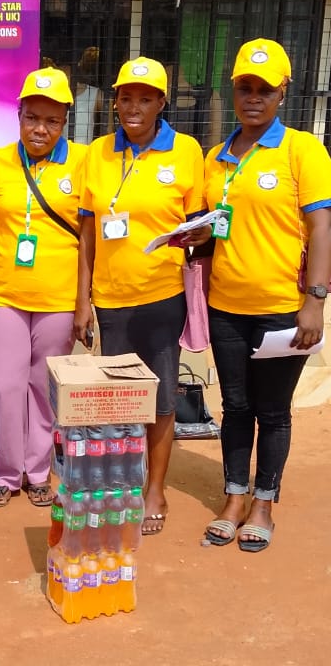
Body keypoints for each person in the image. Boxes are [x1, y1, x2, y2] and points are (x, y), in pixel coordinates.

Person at [194, 38, 331, 551]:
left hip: (280, 308)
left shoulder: (303, 149)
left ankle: (264, 502)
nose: (254, 97)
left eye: (264, 89)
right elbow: (219, 228)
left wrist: (314, 299)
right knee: (234, 406)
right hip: (226, 305)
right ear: (234, 90)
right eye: (245, 88)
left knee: (272, 411)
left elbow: (322, 229)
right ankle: (233, 497)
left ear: (283, 92)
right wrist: (196, 237)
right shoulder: (217, 157)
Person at [74, 56, 205, 534]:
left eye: (145, 98)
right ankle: (126, 483)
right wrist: (83, 299)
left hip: (162, 294)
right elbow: (87, 233)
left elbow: (200, 223)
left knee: (161, 398)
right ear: (115, 102)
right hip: (111, 299)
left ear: (161, 103)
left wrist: (197, 237)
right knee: (121, 400)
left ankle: (155, 489)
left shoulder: (186, 151)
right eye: (126, 97)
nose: (134, 107)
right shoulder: (98, 154)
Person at [0, 68, 85, 508]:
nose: (40, 129)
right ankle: (6, 473)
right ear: (18, 115)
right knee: (5, 386)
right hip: (5, 294)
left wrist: (85, 302)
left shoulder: (83, 163)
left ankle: (39, 471)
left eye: (52, 120)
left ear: (65, 121)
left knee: (43, 388)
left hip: (59, 298)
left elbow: (90, 240)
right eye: (32, 117)